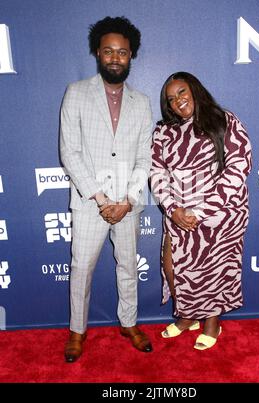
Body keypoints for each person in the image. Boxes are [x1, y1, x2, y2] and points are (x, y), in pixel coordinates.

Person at [60, 16, 153, 362]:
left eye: (123, 52)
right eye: (109, 51)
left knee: (128, 266)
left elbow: (145, 157)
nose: (116, 58)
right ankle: (77, 331)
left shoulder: (141, 102)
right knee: (81, 268)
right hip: (90, 203)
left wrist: (128, 199)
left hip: (128, 204)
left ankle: (129, 323)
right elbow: (69, 152)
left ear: (132, 56)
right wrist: (100, 198)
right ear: (97, 53)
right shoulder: (76, 92)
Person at [151, 72, 252, 350]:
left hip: (221, 212)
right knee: (172, 265)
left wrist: (203, 210)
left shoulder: (224, 120)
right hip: (178, 212)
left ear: (194, 90)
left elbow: (239, 167)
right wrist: (172, 209)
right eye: (171, 99)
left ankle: (211, 322)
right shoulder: (163, 131)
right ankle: (187, 315)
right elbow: (157, 172)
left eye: (182, 92)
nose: (177, 101)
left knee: (214, 267)